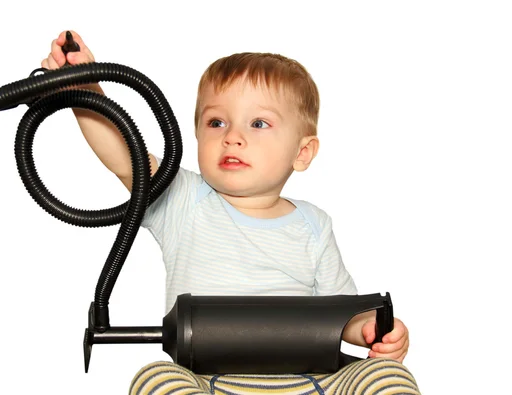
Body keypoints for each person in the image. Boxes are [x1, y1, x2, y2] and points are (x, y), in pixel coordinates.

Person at [41, 30, 421, 395]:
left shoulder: (313, 225)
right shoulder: (184, 200)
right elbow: (128, 160)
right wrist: (84, 90)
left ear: (302, 152)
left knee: (385, 375)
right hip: (208, 382)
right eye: (216, 122)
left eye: (258, 123)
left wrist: (374, 330)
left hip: (314, 381)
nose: (232, 136)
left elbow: (343, 313)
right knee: (153, 378)